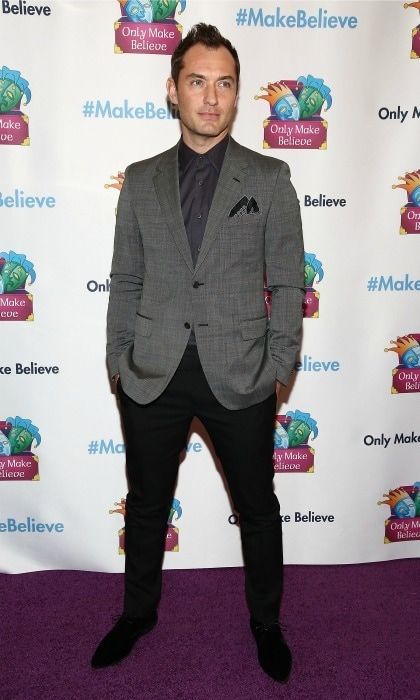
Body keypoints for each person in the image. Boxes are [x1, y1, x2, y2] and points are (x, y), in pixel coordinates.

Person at [92, 23, 304, 683]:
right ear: (173, 91)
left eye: (224, 84)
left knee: (259, 505)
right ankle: (137, 614)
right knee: (147, 502)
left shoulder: (269, 177)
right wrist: (118, 361)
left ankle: (267, 624)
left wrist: (280, 366)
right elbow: (125, 276)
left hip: (240, 372)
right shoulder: (141, 179)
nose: (211, 98)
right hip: (151, 372)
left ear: (237, 94)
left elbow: (290, 280)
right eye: (197, 82)